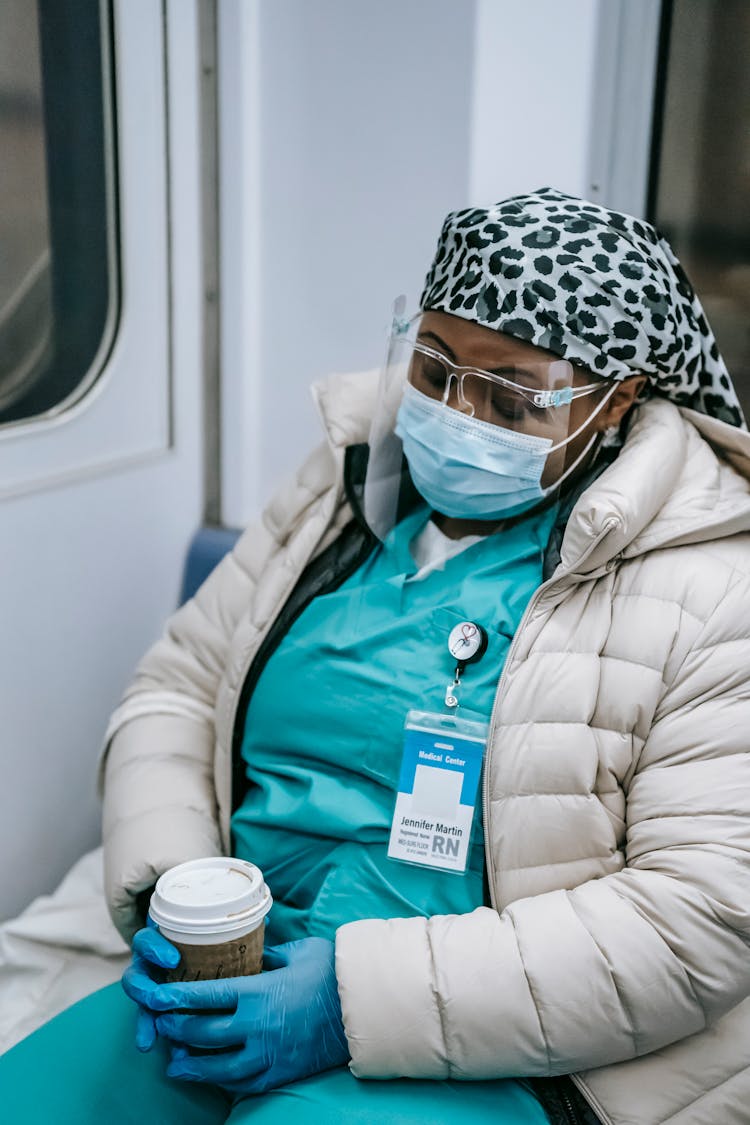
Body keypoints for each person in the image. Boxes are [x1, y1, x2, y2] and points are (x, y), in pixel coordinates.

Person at [3, 186, 750, 1125]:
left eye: (510, 395)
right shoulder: (343, 485)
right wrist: (175, 890)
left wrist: (345, 1003)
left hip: (504, 1037)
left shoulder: (713, 583)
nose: (457, 413)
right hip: (236, 959)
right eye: (436, 368)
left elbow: (696, 920)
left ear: (615, 401)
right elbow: (178, 686)